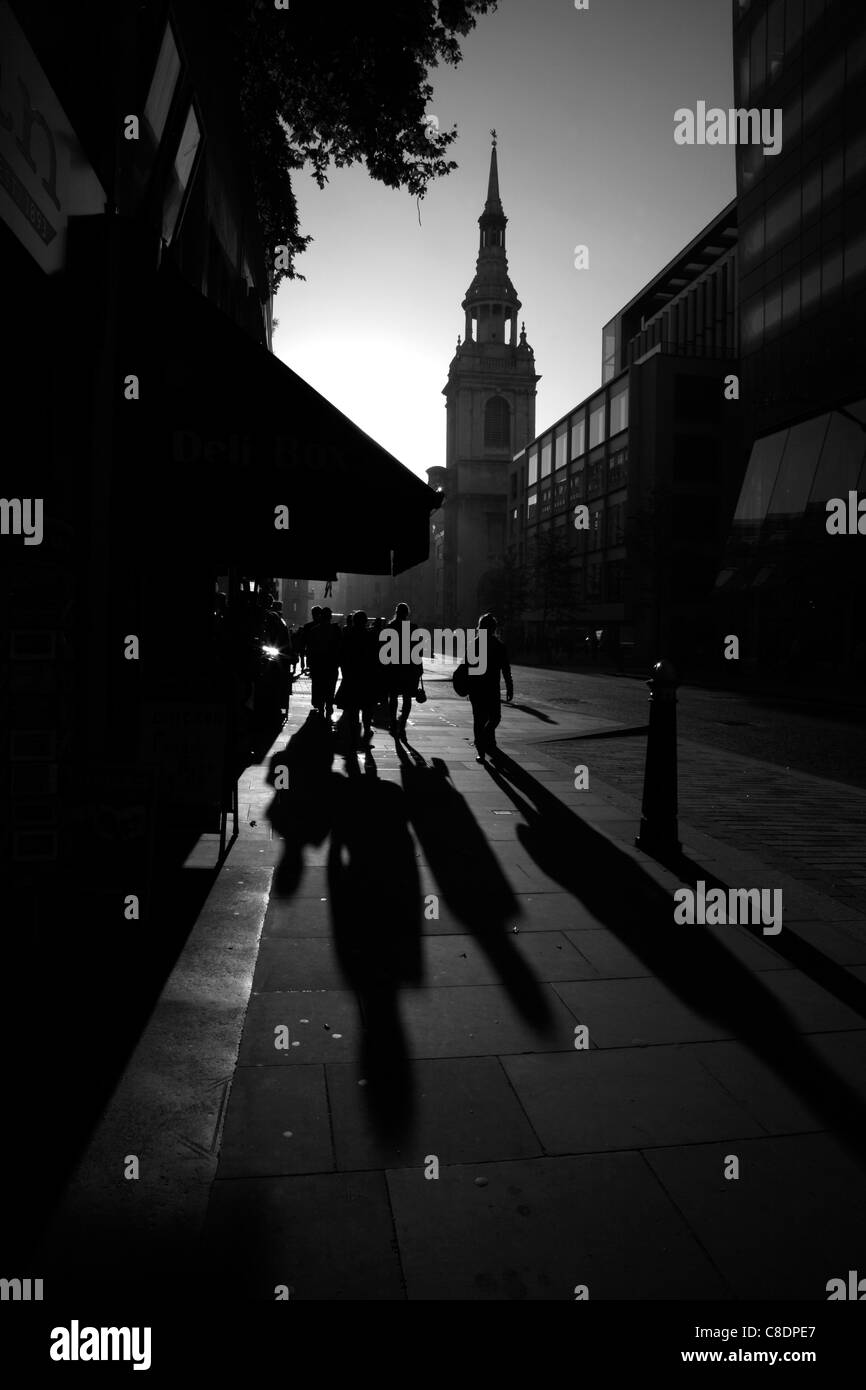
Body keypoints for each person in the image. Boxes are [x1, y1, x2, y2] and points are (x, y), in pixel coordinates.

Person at [469, 612, 513, 763]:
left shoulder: (474, 644)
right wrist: (509, 686)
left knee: (478, 720)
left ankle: (481, 750)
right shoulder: (499, 645)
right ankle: (486, 741)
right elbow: (506, 668)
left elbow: (468, 667)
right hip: (492, 688)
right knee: (494, 717)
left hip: (476, 689)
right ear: (494, 628)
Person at [380, 601, 422, 737]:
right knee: (407, 697)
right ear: (407, 614)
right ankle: (402, 723)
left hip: (393, 667)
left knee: (392, 696)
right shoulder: (413, 628)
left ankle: (393, 722)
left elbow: (383, 649)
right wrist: (419, 667)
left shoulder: (390, 627)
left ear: (396, 612)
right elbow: (418, 650)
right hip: (409, 667)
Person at [338, 610, 378, 747]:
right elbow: (375, 657)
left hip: (352, 675)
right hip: (366, 676)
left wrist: (345, 671)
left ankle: (354, 732)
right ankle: (366, 729)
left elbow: (342, 655)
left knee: (352, 707)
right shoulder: (370, 635)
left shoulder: (347, 635)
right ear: (365, 621)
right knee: (367, 706)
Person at [306, 606, 341, 719]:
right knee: (330, 687)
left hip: (318, 664)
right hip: (331, 664)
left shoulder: (314, 630)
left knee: (319, 686)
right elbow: (340, 647)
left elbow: (310, 649)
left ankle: (321, 707)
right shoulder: (336, 630)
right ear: (330, 617)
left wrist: (310, 664)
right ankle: (329, 705)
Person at [300, 605, 322, 675]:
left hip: (311, 654)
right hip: (322, 655)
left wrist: (302, 658)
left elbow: (303, 643)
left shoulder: (307, 626)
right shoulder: (325, 627)